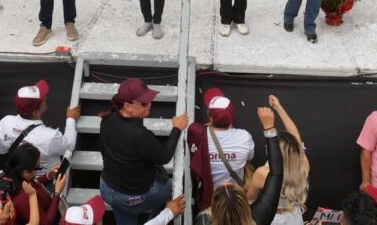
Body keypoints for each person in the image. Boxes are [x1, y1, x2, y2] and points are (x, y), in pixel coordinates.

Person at [99, 77, 188, 225]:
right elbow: (165, 156)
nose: (150, 105)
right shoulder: (139, 135)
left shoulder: (107, 119)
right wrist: (177, 128)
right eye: (144, 103)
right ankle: (156, 220)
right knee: (171, 189)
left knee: (124, 215)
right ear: (128, 106)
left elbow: (103, 150)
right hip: (130, 196)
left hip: (108, 187)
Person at [198, 107, 282, 225]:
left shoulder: (203, 221)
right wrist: (269, 127)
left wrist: (270, 130)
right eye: (231, 186)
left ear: (213, 210)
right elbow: (276, 173)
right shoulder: (259, 217)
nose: (225, 181)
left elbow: (276, 174)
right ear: (244, 202)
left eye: (221, 187)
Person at [188, 88, 255, 212]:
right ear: (232, 115)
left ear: (210, 116)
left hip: (210, 203)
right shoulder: (245, 137)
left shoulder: (198, 133)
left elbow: (192, 127)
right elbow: (250, 157)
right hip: (235, 202)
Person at [0, 79, 79, 177]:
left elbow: (2, 150)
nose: (45, 97)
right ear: (35, 112)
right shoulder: (50, 136)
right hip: (47, 180)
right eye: (43, 99)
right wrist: (71, 119)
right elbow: (69, 147)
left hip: (17, 177)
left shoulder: (5, 121)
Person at [247, 95, 309, 225]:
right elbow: (296, 138)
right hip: (293, 217)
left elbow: (249, 201)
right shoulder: (303, 167)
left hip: (271, 219)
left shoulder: (263, 173)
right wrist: (278, 108)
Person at [2, 143, 67, 225]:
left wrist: (47, 176)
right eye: (38, 166)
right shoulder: (23, 199)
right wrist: (57, 193)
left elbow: (35, 183)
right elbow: (45, 222)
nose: (40, 167)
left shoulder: (22, 178)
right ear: (25, 172)